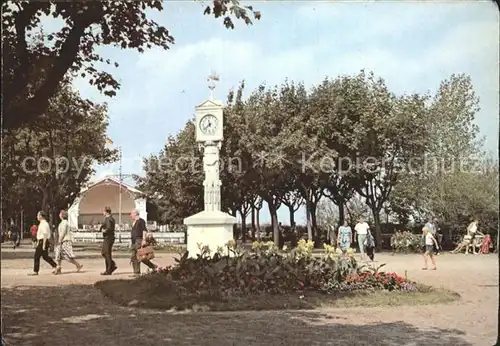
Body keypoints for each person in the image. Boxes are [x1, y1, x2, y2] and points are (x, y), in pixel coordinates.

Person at [28, 211, 58, 276]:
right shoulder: (42, 223)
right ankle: (55, 266)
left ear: (41, 216)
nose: (37, 217)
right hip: (42, 241)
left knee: (36, 256)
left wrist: (43, 244)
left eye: (38, 215)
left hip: (43, 241)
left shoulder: (44, 224)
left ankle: (35, 271)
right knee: (45, 257)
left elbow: (45, 234)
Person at [54, 210, 83, 275]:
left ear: (62, 215)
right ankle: (59, 268)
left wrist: (59, 240)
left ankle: (77, 265)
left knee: (66, 256)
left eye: (60, 214)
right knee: (58, 255)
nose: (59, 215)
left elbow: (63, 232)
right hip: (62, 240)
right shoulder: (62, 223)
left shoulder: (65, 223)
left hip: (65, 241)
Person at [130, 209, 157, 276]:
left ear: (135, 214)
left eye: (131, 214)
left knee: (141, 257)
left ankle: (152, 266)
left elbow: (144, 230)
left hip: (139, 240)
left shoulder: (141, 221)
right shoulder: (135, 222)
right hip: (134, 242)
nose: (130, 215)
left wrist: (144, 240)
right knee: (134, 257)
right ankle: (136, 272)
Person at [100, 206, 117, 275]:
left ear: (106, 212)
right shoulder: (110, 218)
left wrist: (104, 231)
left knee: (106, 253)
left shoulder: (108, 219)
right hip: (109, 237)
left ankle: (110, 268)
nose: (103, 212)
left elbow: (109, 228)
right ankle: (110, 267)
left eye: (103, 211)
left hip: (108, 237)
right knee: (106, 253)